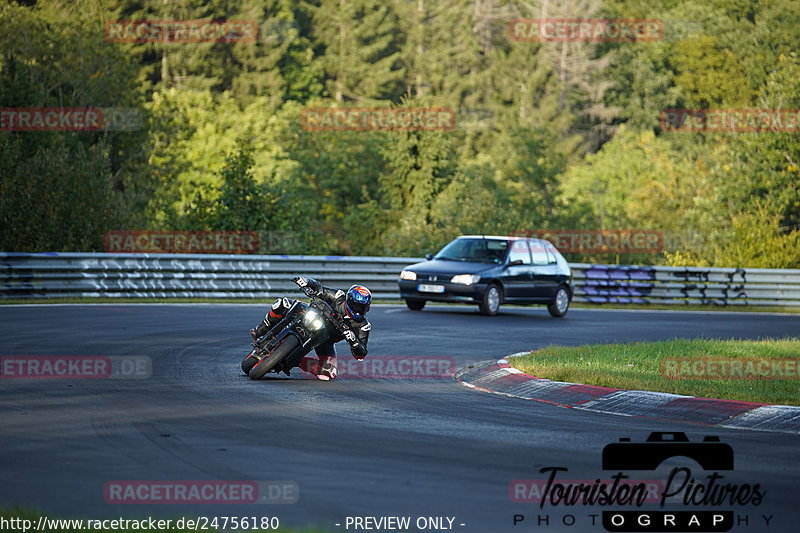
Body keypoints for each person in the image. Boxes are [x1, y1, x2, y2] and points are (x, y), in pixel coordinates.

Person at [250, 276, 371, 380]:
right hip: (312, 313)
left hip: (324, 340)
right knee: (282, 303)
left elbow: (361, 354)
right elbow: (320, 289)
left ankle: (296, 361)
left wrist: (353, 341)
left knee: (330, 372)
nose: (358, 310)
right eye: (356, 306)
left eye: (362, 307)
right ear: (348, 300)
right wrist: (306, 282)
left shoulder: (363, 326)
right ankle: (261, 330)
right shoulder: (339, 297)